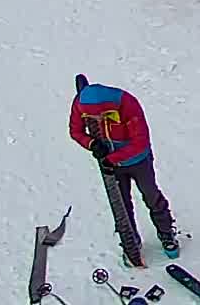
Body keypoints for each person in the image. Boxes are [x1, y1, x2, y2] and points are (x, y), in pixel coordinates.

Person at [69, 75, 181, 267]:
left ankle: (166, 234)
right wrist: (92, 143)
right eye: (91, 119)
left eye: (101, 116)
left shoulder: (128, 104)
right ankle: (131, 243)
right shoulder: (80, 104)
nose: (94, 121)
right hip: (111, 166)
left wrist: (112, 159)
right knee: (121, 205)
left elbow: (140, 142)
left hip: (138, 162)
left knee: (151, 195)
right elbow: (75, 131)